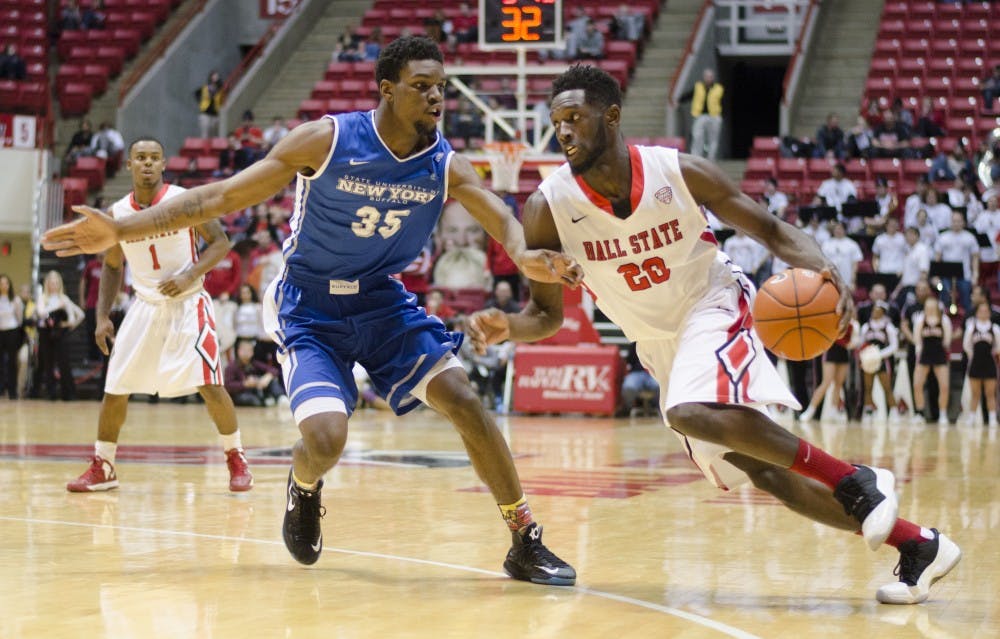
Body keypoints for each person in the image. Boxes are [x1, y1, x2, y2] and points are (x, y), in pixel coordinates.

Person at [43, 37, 581, 585]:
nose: (436, 98)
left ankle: (524, 539)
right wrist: (121, 229)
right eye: (422, 87)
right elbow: (220, 197)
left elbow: (504, 220)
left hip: (381, 302)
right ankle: (303, 488)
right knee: (325, 439)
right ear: (387, 90)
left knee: (465, 400)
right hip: (308, 304)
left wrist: (525, 255)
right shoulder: (327, 140)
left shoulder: (444, 163)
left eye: (441, 87)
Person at [466, 64, 960, 604]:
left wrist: (824, 269)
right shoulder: (548, 207)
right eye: (556, 121)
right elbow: (548, 315)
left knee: (688, 409)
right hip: (659, 345)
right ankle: (919, 546)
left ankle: (855, 481)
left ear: (611, 116)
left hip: (714, 300)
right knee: (766, 474)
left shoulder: (677, 172)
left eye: (575, 118)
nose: (562, 131)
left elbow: (770, 229)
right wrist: (508, 325)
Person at [65, 137, 253, 494]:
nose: (147, 163)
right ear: (129, 165)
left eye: (154, 157)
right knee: (115, 386)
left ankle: (236, 456)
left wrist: (188, 274)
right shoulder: (118, 214)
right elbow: (111, 265)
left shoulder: (184, 200)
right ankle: (104, 465)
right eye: (140, 158)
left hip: (188, 302)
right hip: (144, 305)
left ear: (164, 163)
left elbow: (221, 241)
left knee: (210, 385)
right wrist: (102, 316)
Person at [798, 313, 861, 422]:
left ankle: (833, 412)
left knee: (838, 384)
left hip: (843, 353)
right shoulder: (833, 320)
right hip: (831, 351)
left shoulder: (853, 324)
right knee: (826, 382)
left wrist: (849, 344)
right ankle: (810, 411)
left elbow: (854, 341)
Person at [911, 296, 951, 425]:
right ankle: (920, 413)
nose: (929, 309)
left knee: (944, 386)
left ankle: (943, 414)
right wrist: (919, 355)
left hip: (939, 354)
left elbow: (947, 340)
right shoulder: (920, 320)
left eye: (932, 306)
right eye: (927, 306)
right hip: (924, 354)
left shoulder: (944, 320)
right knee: (917, 384)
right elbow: (917, 339)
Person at [962, 301, 1000, 426]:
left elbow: (998, 347)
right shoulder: (971, 327)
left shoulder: (995, 328)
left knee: (990, 393)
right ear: (976, 313)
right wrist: (972, 355)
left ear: (989, 313)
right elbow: (966, 346)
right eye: (981, 311)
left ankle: (993, 418)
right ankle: (972, 418)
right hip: (975, 363)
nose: (983, 313)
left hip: (989, 363)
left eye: (986, 311)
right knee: (975, 393)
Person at [225, 338, 285, 406]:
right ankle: (266, 401)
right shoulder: (231, 366)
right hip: (240, 394)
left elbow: (274, 370)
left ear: (252, 352)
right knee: (253, 400)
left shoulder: (254, 363)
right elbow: (228, 385)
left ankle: (280, 397)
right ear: (238, 351)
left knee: (272, 380)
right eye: (244, 350)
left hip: (254, 390)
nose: (246, 353)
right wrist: (244, 384)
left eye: (249, 350)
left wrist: (267, 377)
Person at [688, 69, 723, 160]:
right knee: (697, 136)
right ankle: (696, 157)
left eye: (710, 77)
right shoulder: (698, 86)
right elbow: (689, 95)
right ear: (704, 77)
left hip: (714, 115)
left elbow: (723, 102)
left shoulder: (719, 88)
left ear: (713, 78)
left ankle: (711, 158)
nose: (708, 79)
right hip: (700, 115)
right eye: (707, 76)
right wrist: (678, 100)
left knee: (713, 139)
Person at [0, 274, 23, 399]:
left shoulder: (15, 300)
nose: (3, 286)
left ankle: (12, 390)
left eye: (6, 283)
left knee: (12, 362)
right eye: (1, 283)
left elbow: (19, 319)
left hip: (12, 332)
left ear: (9, 285)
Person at [195, 71, 225, 139]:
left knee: (214, 135)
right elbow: (196, 94)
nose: (215, 78)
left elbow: (222, 100)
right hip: (205, 112)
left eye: (216, 77)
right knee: (205, 134)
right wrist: (200, 102)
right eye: (214, 76)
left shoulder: (220, 90)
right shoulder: (205, 88)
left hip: (215, 114)